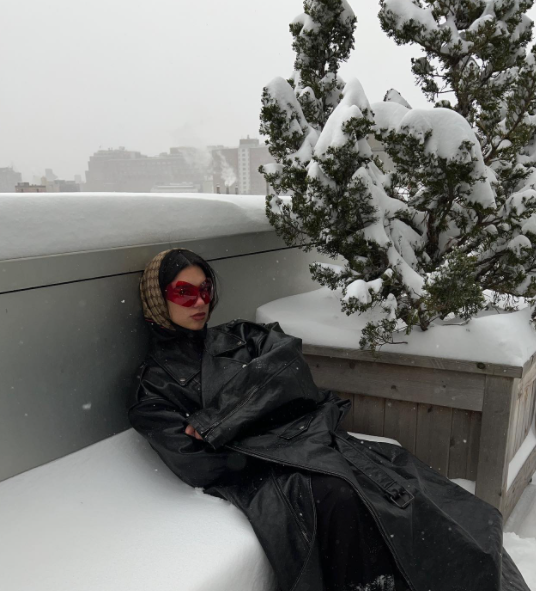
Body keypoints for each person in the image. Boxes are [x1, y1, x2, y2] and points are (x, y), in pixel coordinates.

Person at [128, 248, 530, 591]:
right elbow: (198, 462)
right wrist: (271, 424)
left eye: (204, 289)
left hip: (317, 440)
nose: (198, 302)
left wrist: (220, 420)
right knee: (347, 498)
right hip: (274, 474)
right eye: (183, 292)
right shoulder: (154, 385)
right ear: (156, 300)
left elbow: (289, 373)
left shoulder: (243, 336)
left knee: (432, 500)